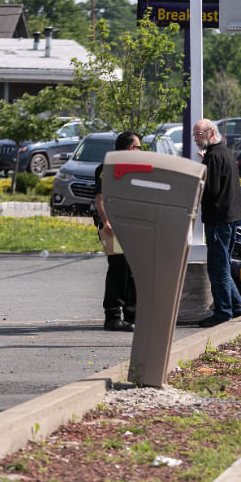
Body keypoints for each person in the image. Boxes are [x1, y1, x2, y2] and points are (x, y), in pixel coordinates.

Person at [192, 119, 241, 326]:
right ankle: (238, 307)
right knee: (222, 265)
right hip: (230, 218)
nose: (196, 139)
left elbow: (211, 191)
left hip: (218, 219)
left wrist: (194, 189)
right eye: (194, 135)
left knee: (217, 268)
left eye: (199, 134)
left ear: (211, 133)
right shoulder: (225, 152)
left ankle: (223, 313)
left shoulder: (213, 156)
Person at [95, 131, 142, 332]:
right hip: (113, 228)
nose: (140, 151)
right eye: (139, 147)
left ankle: (132, 315)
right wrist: (107, 222)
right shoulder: (108, 167)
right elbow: (100, 198)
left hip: (130, 227)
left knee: (132, 271)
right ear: (131, 148)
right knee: (118, 271)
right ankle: (113, 317)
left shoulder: (133, 168)